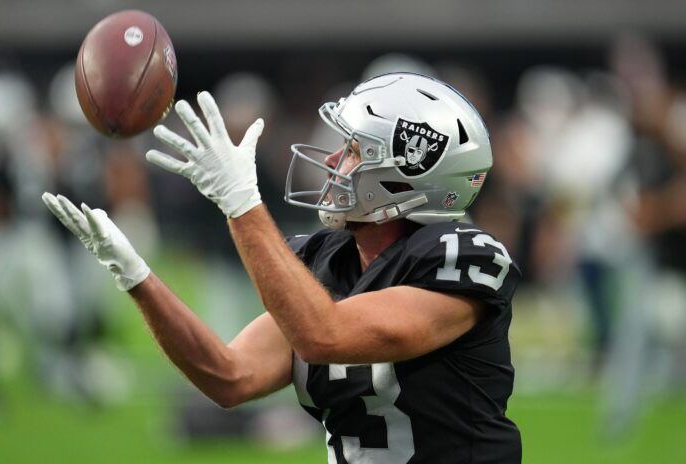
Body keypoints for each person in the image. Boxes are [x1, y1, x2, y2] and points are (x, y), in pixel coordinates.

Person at [42, 73, 522, 463]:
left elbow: (326, 336)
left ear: (407, 172)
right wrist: (136, 276)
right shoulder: (330, 260)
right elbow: (230, 377)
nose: (334, 160)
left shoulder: (461, 260)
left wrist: (241, 203)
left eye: (354, 150)